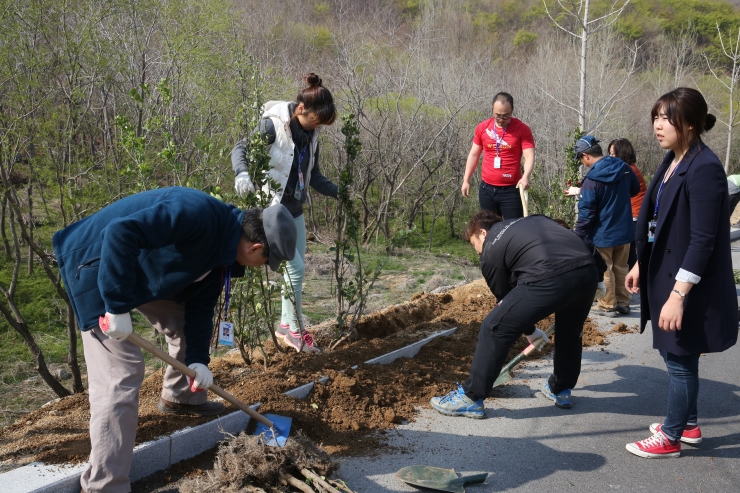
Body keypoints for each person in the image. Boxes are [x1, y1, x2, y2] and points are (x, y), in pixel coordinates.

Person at [52, 187, 297, 493]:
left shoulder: (224, 248)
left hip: (138, 271)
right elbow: (120, 232)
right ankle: (105, 485)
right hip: (96, 265)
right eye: (267, 261)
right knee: (122, 375)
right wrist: (115, 306)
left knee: (186, 327)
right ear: (256, 247)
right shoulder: (196, 214)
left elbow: (199, 306)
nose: (263, 268)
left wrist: (197, 359)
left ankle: (181, 397)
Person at [625, 87, 737, 459]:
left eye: (665, 118)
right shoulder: (674, 159)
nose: (658, 125)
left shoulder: (704, 168)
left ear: (689, 123)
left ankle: (672, 436)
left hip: (687, 283)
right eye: (655, 117)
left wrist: (678, 295)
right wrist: (643, 260)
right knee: (674, 354)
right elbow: (660, 220)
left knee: (681, 358)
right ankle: (687, 424)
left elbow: (703, 240)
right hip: (664, 272)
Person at [429, 211, 598, 418]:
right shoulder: (536, 220)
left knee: (493, 326)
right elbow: (578, 238)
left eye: (474, 244)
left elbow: (505, 299)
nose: (477, 252)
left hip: (549, 275)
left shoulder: (491, 248)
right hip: (587, 271)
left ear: (483, 233)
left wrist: (530, 331)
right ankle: (560, 389)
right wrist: (599, 274)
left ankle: (471, 397)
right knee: (570, 332)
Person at [232, 73, 338, 353]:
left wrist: (340, 192)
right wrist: (242, 174)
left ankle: (287, 325)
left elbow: (313, 176)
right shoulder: (273, 126)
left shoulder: (312, 136)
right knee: (296, 268)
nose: (317, 126)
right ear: (301, 109)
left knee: (295, 274)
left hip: (295, 210)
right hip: (273, 210)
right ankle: (295, 330)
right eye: (316, 119)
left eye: (321, 124)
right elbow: (240, 148)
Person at [572, 135, 639, 317]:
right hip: (624, 228)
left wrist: (578, 236)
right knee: (621, 266)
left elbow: (586, 213)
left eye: (580, 158)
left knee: (606, 268)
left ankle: (608, 304)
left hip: (603, 233)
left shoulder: (592, 179)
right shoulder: (624, 168)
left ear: (586, 156)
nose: (583, 163)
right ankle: (623, 302)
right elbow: (635, 189)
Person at [461, 92, 535, 219]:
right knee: (489, 230)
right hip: (487, 189)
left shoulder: (522, 129)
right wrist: (466, 180)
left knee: (512, 230)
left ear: (512, 110)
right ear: (492, 109)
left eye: (506, 116)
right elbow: (474, 155)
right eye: (498, 116)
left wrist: (526, 177)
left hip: (511, 190)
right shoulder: (483, 128)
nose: (501, 120)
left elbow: (529, 156)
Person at [608, 139, 647, 270]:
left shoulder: (627, 170)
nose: (610, 157)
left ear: (622, 153)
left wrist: (581, 190)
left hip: (635, 215)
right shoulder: (628, 168)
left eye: (613, 154)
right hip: (632, 215)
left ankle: (635, 286)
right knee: (629, 254)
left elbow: (610, 188)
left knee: (630, 255)